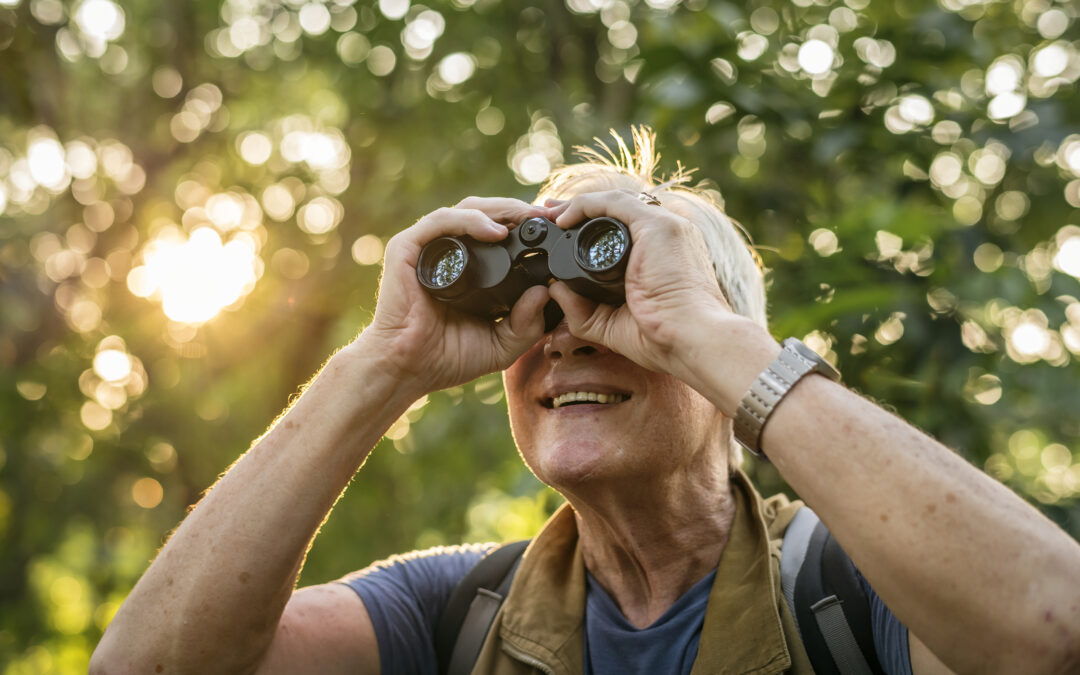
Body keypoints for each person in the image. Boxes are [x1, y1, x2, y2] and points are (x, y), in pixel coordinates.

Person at [90, 128, 1080, 675]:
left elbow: (1054, 630)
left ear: (712, 339)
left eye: (613, 303)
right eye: (536, 312)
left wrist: (705, 332)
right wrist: (384, 359)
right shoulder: (452, 617)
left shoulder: (848, 594)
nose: (564, 333)